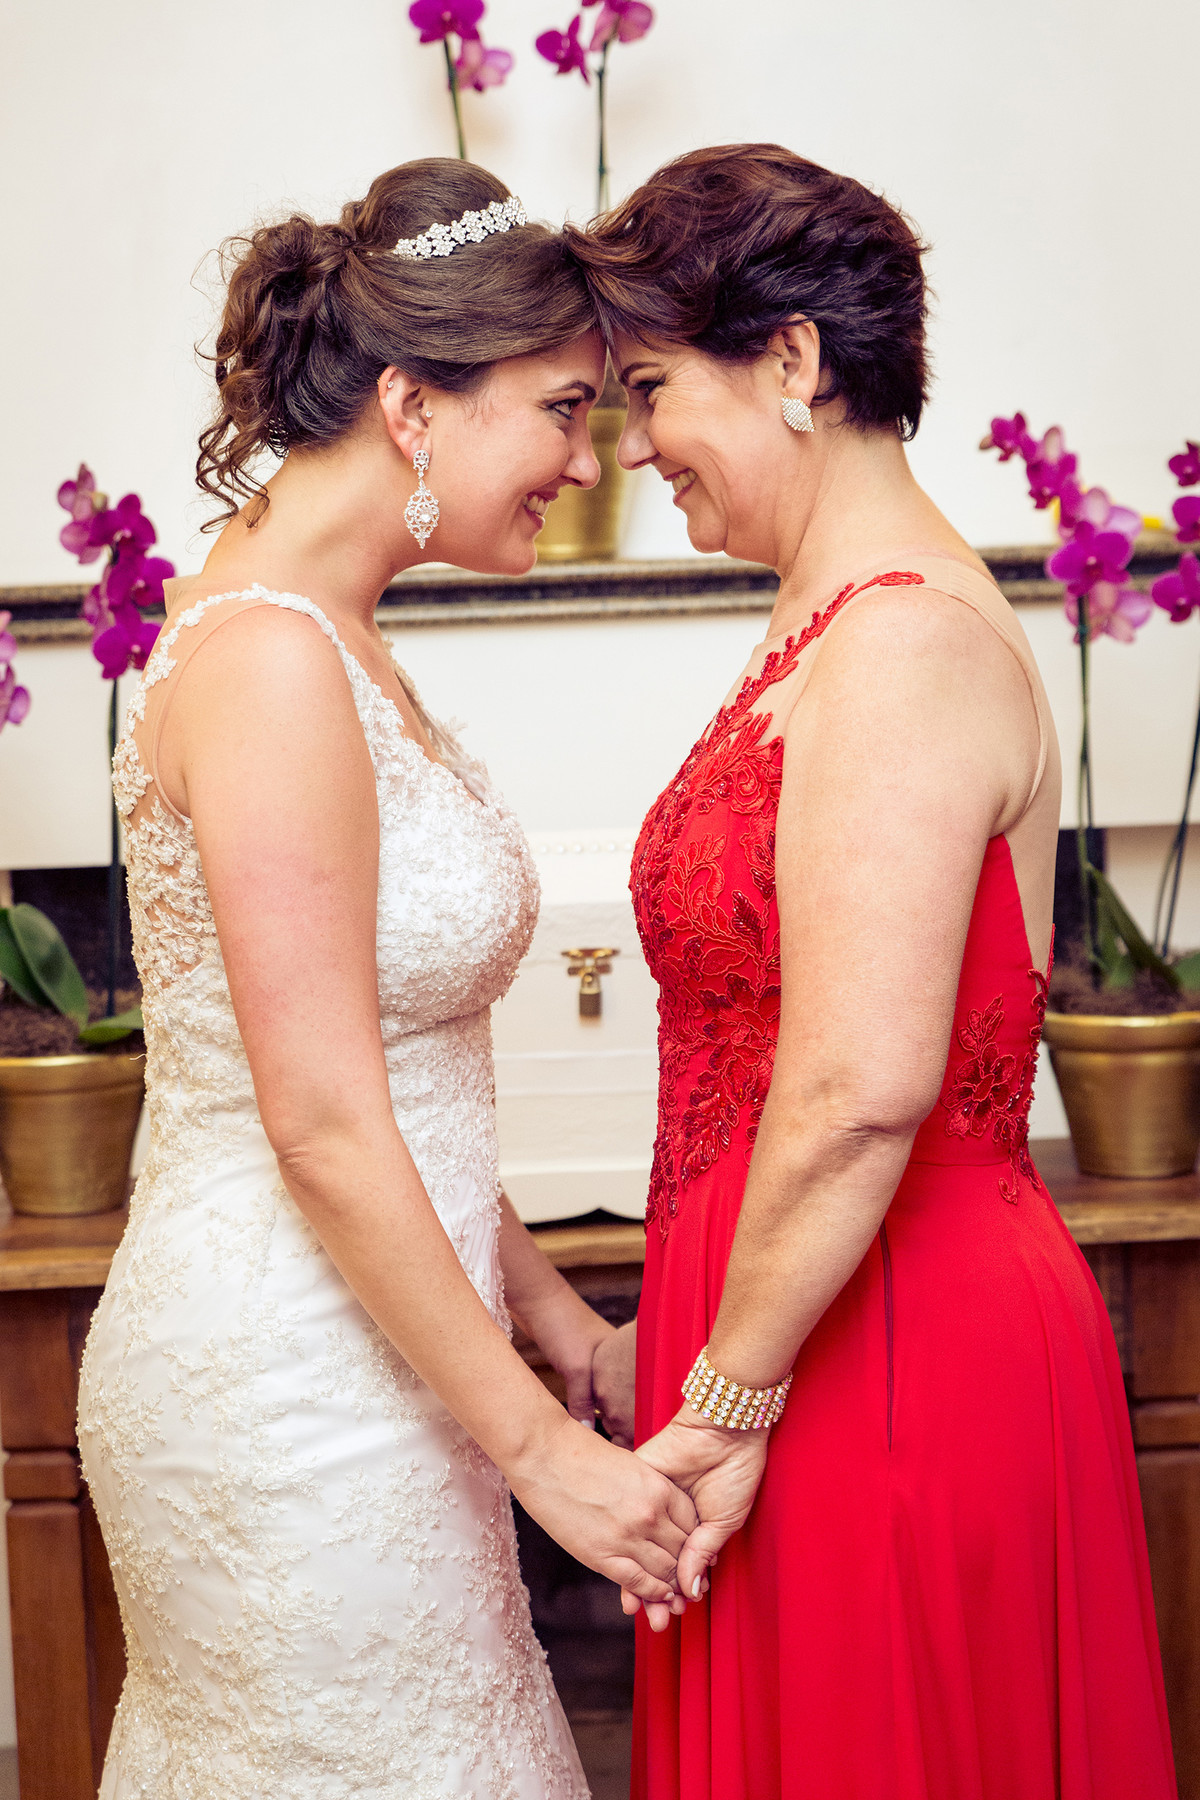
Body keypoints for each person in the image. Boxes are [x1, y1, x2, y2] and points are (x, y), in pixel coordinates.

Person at [77, 159, 696, 1799]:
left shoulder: (335, 638)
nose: (588, 458)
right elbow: (326, 1118)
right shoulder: (273, 659)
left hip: (390, 1347)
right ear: (415, 406)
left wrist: (558, 1315)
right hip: (289, 1386)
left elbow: (390, 1069)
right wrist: (546, 1451)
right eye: (563, 410)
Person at [572, 144, 1179, 1800]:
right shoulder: (826, 619)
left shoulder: (903, 639)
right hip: (785, 1327)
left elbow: (855, 1092)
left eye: (647, 391)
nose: (631, 450)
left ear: (789, 360)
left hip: (884, 1348)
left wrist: (725, 1397)